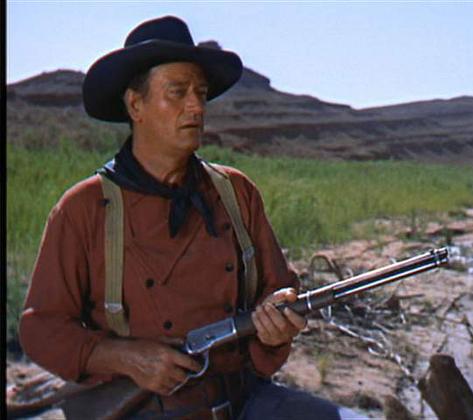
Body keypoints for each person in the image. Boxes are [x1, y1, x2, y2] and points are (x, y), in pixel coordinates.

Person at [19, 15, 355, 419]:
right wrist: (123, 357)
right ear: (135, 104)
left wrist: (276, 322)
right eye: (177, 92)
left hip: (245, 400)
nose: (196, 106)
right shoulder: (84, 208)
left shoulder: (235, 192)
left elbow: (278, 290)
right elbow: (40, 329)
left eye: (201, 93)